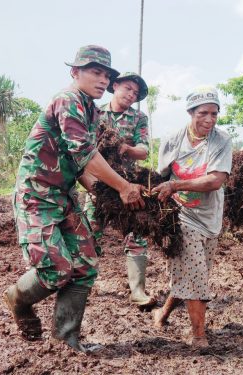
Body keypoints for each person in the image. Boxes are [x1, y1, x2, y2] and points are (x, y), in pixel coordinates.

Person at [3, 45, 145, 352]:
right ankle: (17, 299)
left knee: (84, 265)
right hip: (36, 195)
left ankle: (67, 341)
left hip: (63, 195)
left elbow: (80, 163)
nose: (102, 80)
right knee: (56, 270)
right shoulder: (67, 100)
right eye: (95, 72)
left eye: (106, 75)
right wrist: (122, 186)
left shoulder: (92, 111)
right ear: (75, 72)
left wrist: (100, 191)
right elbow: (84, 152)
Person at [151, 86, 232, 348]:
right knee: (195, 274)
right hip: (180, 216)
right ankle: (199, 336)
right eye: (203, 113)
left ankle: (163, 313)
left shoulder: (221, 141)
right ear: (190, 113)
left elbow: (215, 181)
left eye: (214, 113)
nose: (209, 119)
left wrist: (176, 185)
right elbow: (160, 175)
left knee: (195, 274)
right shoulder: (173, 140)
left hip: (210, 216)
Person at [83, 72, 156, 309]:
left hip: (127, 184)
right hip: (98, 185)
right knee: (91, 233)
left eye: (135, 94)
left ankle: (137, 291)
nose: (131, 95)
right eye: (127, 89)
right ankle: (83, 286)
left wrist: (125, 148)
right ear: (115, 86)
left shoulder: (138, 118)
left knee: (136, 235)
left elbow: (144, 150)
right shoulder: (95, 112)